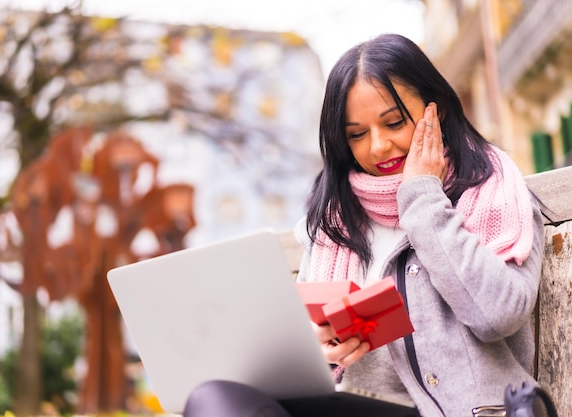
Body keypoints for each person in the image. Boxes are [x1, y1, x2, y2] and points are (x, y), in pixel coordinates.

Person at [184, 33, 545, 417]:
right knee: (212, 398)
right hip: (365, 406)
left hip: (469, 410)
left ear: (434, 109)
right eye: (357, 134)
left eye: (393, 122)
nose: (378, 146)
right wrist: (316, 350)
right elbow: (308, 338)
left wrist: (423, 198)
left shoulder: (490, 186)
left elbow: (497, 314)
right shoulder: (334, 220)